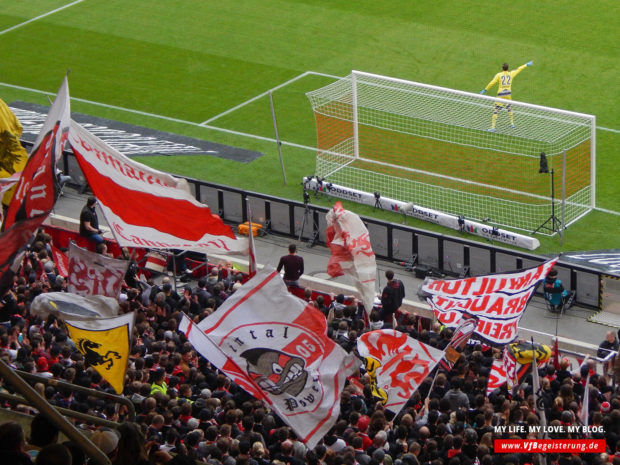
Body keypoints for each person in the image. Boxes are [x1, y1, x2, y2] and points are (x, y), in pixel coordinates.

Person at [480, 61, 533, 131]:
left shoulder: (498, 75)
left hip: (501, 94)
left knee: (496, 109)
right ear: (508, 68)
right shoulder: (511, 74)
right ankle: (512, 124)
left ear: (502, 68)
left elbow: (492, 83)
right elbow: (518, 69)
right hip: (508, 93)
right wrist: (526, 64)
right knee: (509, 107)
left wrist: (485, 89)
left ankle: (493, 127)